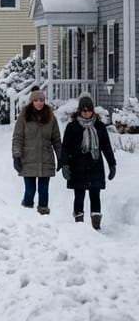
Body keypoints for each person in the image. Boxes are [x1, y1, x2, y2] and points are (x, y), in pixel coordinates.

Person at [60, 94, 116, 230]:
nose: (87, 113)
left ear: (93, 111)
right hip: (77, 167)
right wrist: (65, 164)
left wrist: (112, 164)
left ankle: (96, 224)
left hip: (95, 166)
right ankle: (79, 225)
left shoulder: (99, 126)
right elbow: (65, 147)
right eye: (84, 110)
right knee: (79, 196)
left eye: (89, 110)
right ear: (79, 111)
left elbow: (106, 146)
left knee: (95, 195)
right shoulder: (72, 127)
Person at [11, 89, 61, 215]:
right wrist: (16, 155)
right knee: (30, 190)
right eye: (36, 100)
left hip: (46, 159)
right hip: (28, 159)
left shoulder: (50, 117)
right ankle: (26, 215)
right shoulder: (24, 117)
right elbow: (17, 137)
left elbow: (56, 139)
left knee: (44, 190)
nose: (39, 103)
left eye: (42, 100)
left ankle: (43, 215)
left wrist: (61, 157)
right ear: (32, 102)